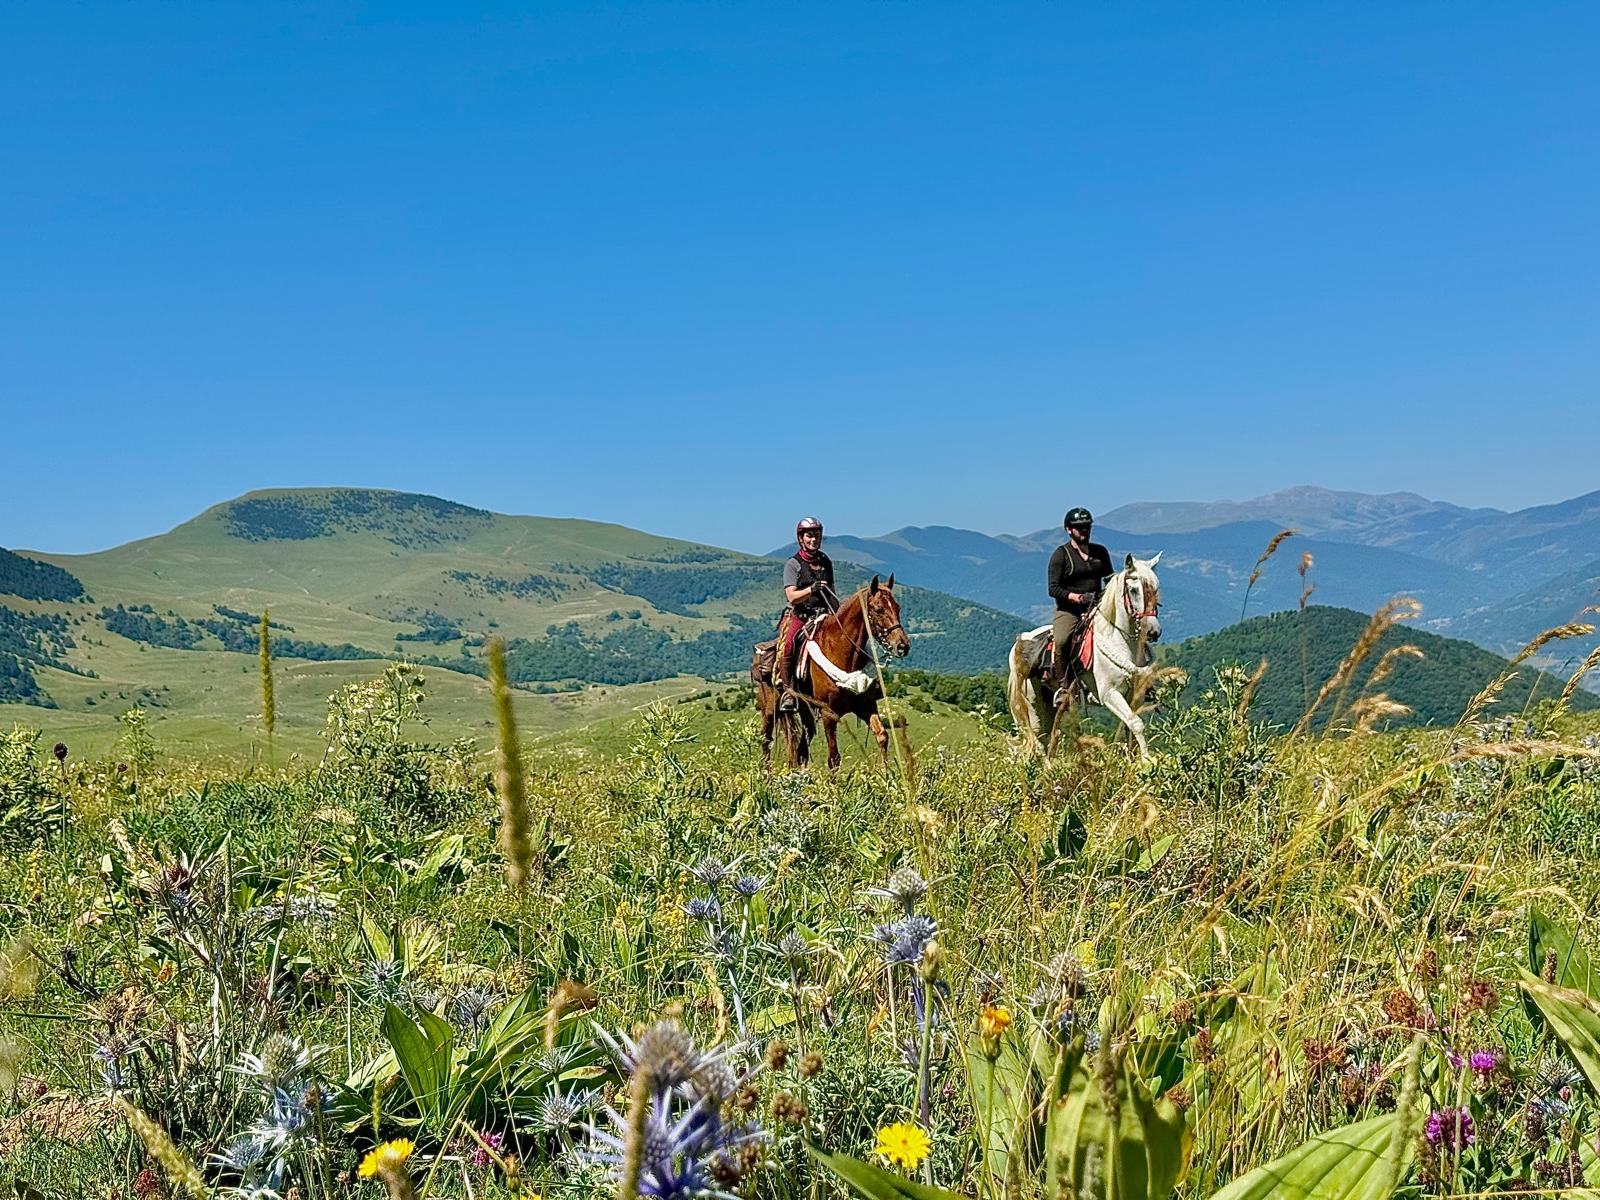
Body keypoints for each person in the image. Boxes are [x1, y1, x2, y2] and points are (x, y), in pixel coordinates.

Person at [1047, 507, 1112, 706]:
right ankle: (1064, 687)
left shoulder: (1100, 552)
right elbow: (1053, 588)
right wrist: (1077, 597)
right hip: (1070, 610)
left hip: (1097, 607)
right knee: (1062, 639)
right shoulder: (1061, 555)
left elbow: (1109, 579)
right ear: (1069, 529)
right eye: (1079, 527)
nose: (1084, 530)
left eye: (1087, 526)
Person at [775, 516, 836, 711]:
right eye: (809, 535)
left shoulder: (825, 561)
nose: (814, 539)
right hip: (800, 615)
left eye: (817, 535)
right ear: (801, 538)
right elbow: (792, 596)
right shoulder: (793, 564)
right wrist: (812, 589)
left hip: (823, 615)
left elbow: (832, 592)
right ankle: (788, 692)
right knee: (788, 646)